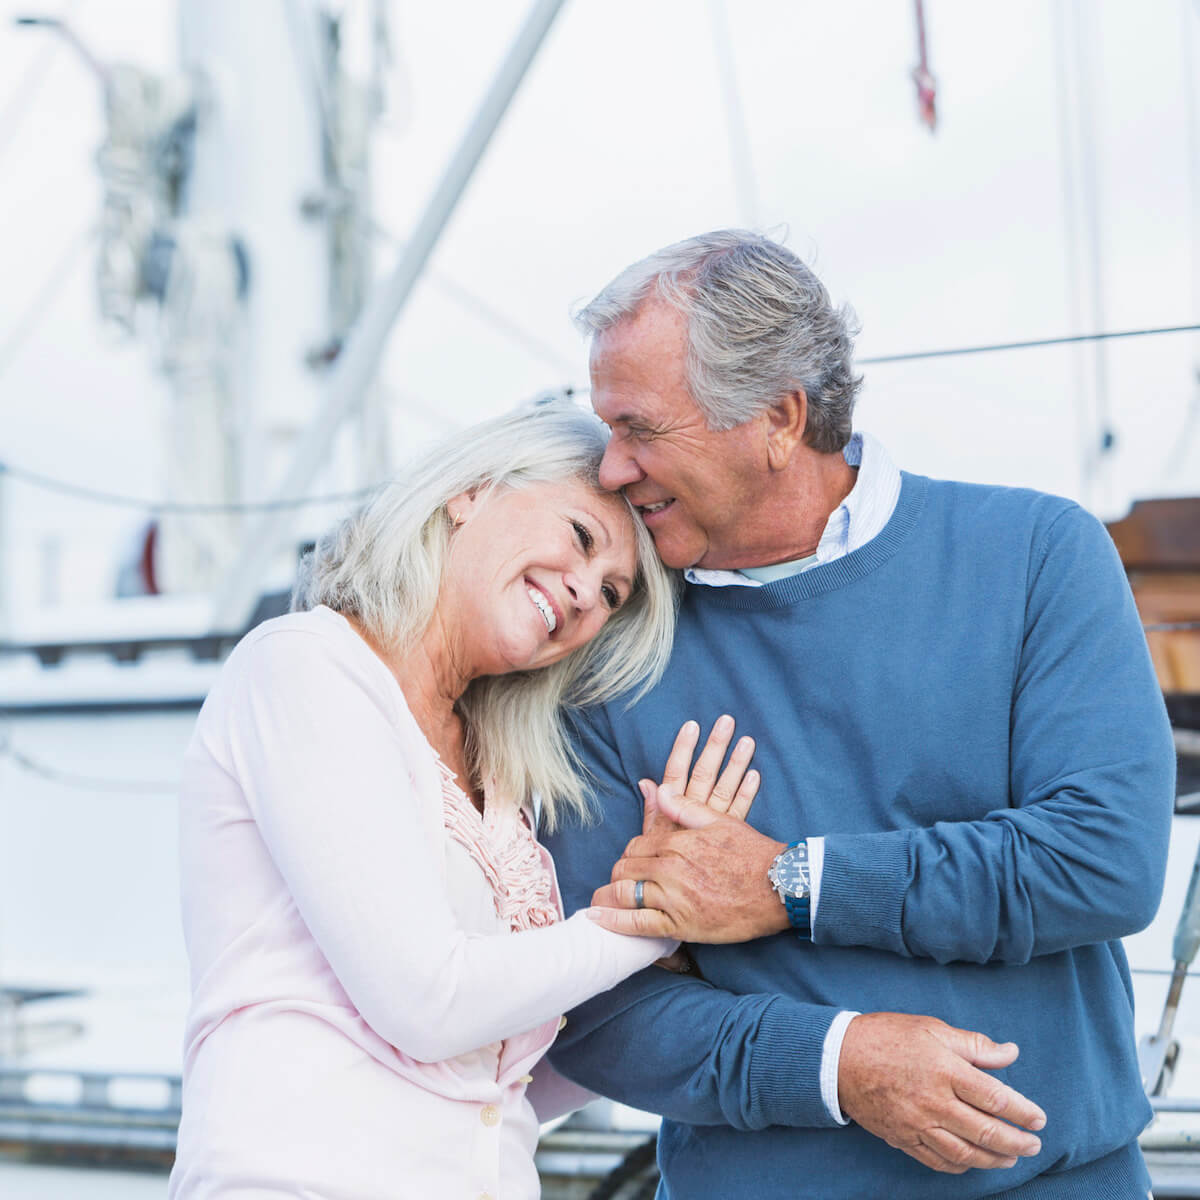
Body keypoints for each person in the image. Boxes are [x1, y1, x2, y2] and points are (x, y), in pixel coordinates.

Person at [541, 230, 1176, 1199]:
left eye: (639, 429)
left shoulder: (1039, 555)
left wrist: (793, 884)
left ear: (779, 420)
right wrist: (840, 1063)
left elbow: (1105, 863)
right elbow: (595, 1012)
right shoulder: (601, 644)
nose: (613, 469)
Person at [167, 399, 760, 1200]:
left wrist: (672, 964)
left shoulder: (503, 775)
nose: (587, 593)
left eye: (614, 596)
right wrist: (651, 918)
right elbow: (427, 1004)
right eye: (582, 538)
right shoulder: (305, 667)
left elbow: (492, 1079)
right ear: (470, 492)